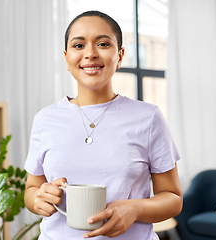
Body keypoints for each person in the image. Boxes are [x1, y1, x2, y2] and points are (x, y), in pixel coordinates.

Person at [24, 10, 182, 240]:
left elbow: (173, 198)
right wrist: (38, 199)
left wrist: (134, 208)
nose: (90, 54)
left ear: (119, 56)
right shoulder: (45, 119)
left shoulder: (149, 117)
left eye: (103, 44)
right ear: (67, 58)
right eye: (79, 46)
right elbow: (31, 190)